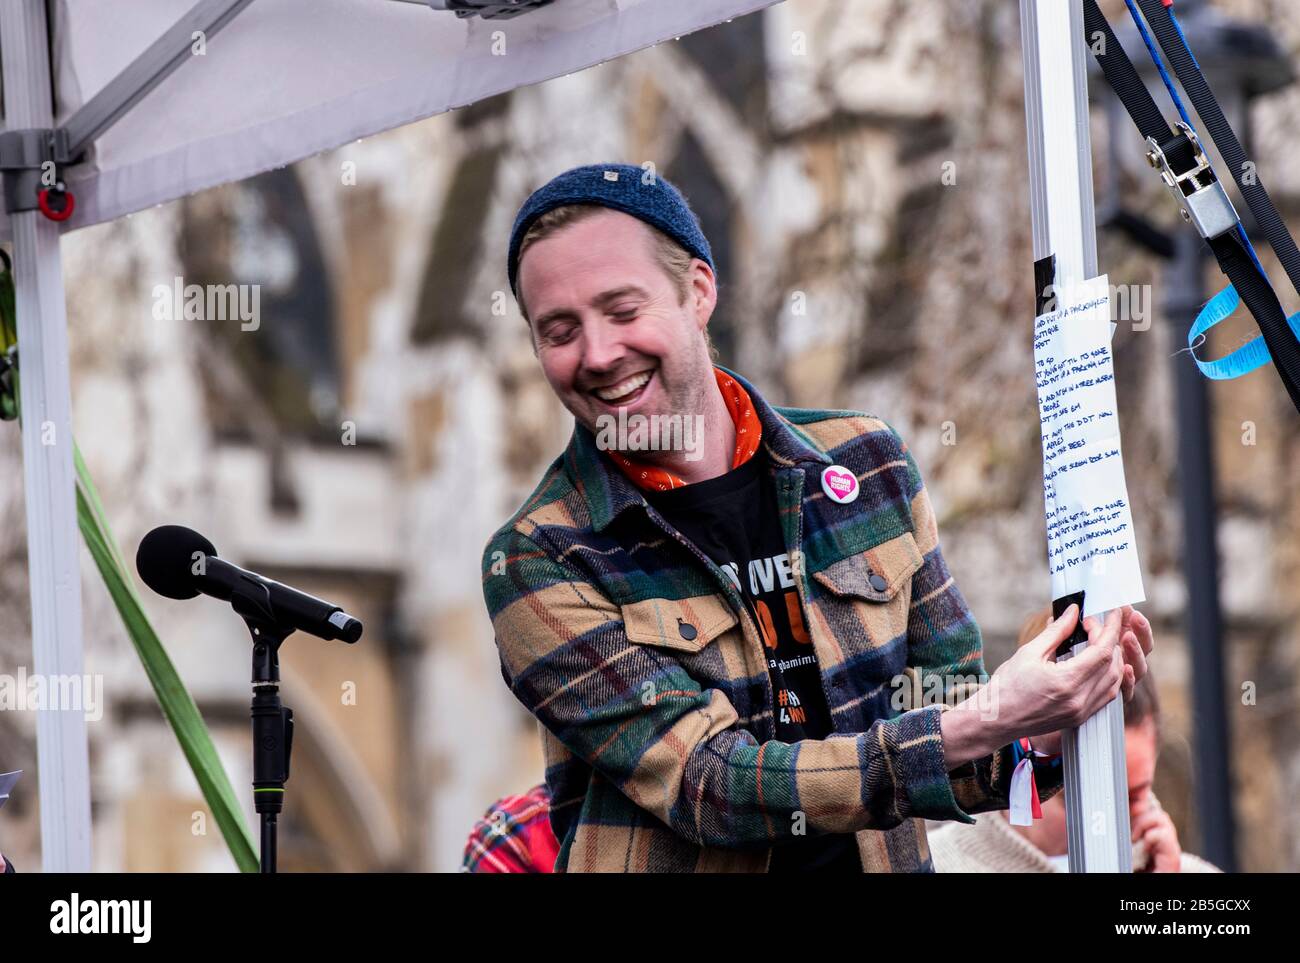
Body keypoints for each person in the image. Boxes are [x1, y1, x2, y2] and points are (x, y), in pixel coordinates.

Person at [480, 163, 1154, 872]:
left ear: (698, 290)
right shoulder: (538, 558)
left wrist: (1040, 730)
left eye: (622, 310)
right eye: (559, 331)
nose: (598, 353)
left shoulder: (868, 463)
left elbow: (946, 719)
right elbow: (711, 784)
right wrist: (979, 721)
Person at [928, 609, 1217, 873]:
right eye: (1077, 797)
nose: (1108, 820)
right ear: (1025, 768)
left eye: (1134, 795)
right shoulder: (933, 864)